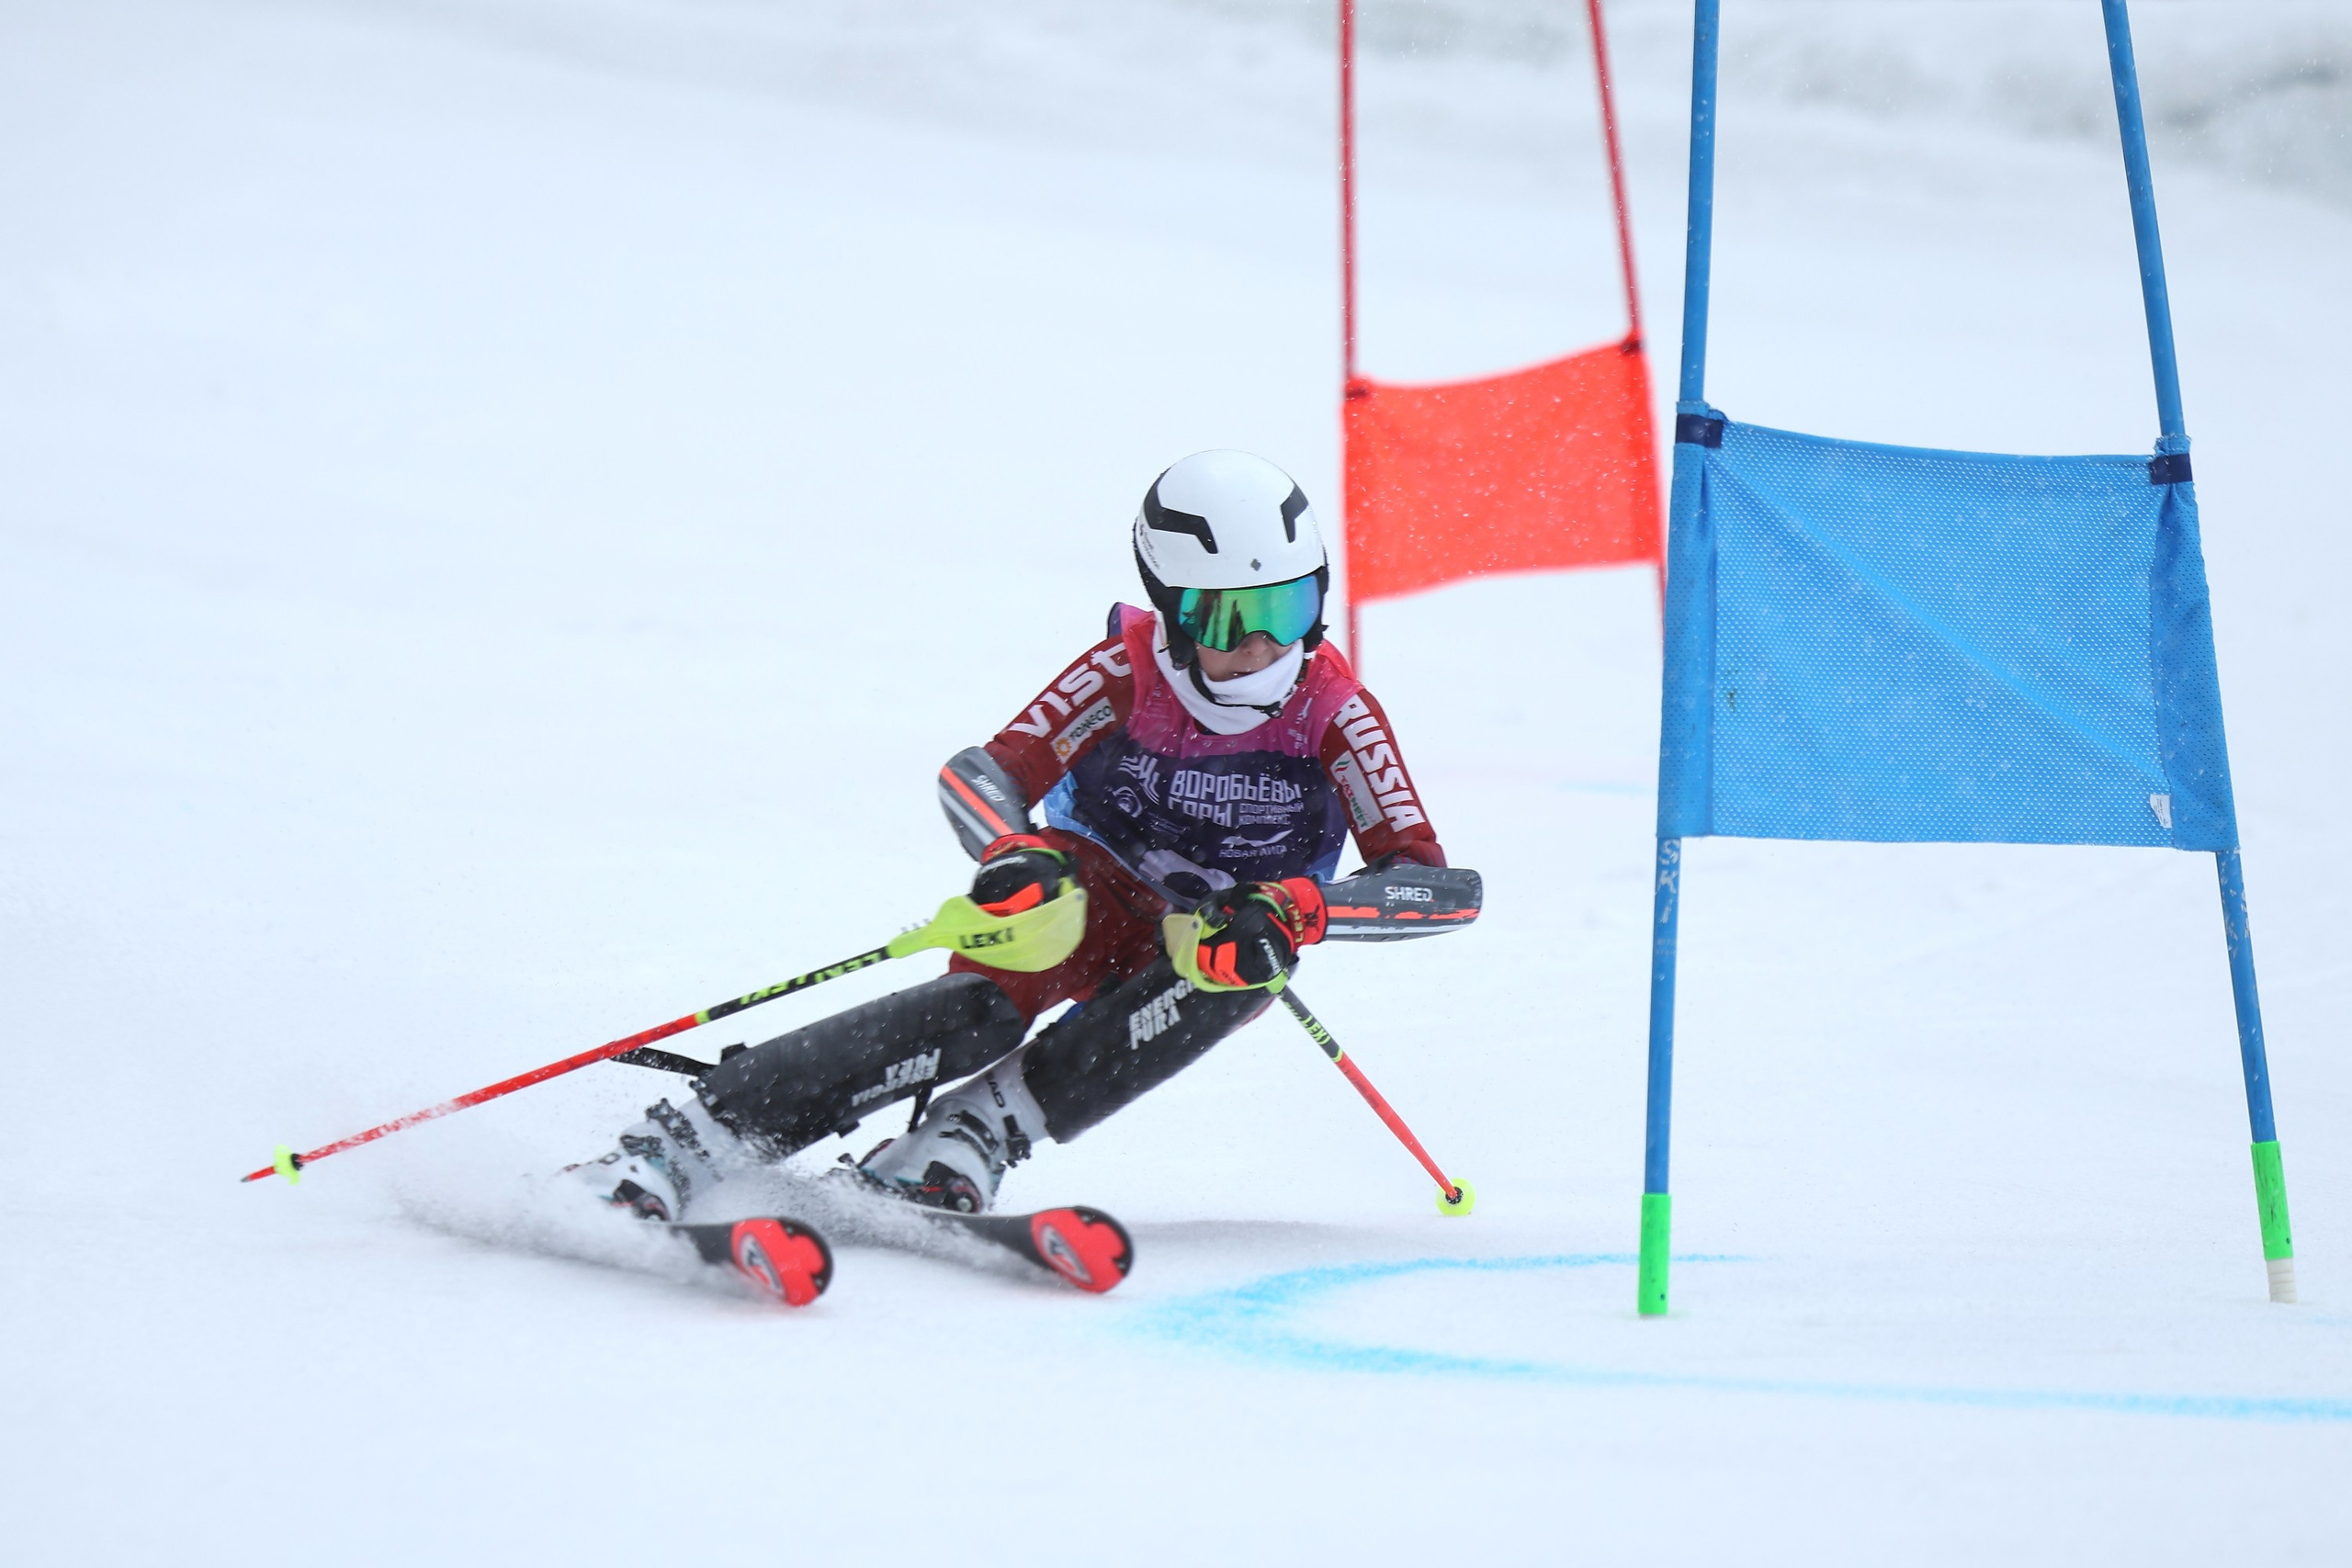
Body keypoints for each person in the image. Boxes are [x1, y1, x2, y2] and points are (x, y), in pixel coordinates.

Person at [571, 450, 1453, 1220]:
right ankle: (697, 1134)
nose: (1263, 646)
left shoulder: (1336, 714)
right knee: (998, 986)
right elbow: (981, 773)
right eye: (1228, 619)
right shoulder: (1127, 671)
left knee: (1235, 972)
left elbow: (1438, 888)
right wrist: (1012, 851)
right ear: (1172, 612)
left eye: (1290, 607)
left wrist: (1298, 909)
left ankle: (973, 1134)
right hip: (1090, 893)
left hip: (1215, 930)